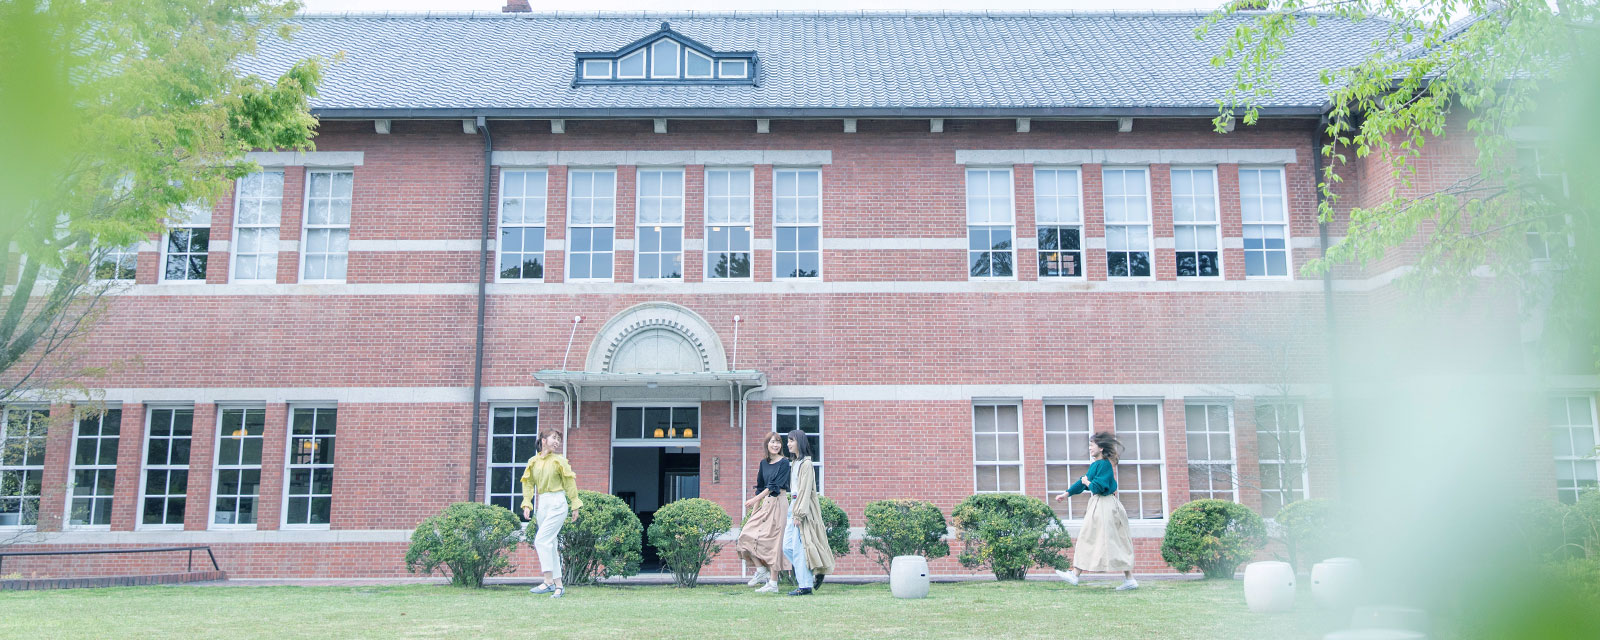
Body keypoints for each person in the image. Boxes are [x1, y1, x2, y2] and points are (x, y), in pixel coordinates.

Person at [1054, 431, 1138, 590]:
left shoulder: (1104, 465)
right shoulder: (1097, 465)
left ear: (1100, 447)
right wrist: (1066, 494)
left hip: (1104, 505)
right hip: (1102, 505)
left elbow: (1097, 486)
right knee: (1111, 540)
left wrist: (1087, 482)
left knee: (1092, 537)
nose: (1089, 448)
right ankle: (1129, 579)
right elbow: (1082, 482)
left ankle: (1075, 575)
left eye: (1092, 445)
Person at [521, 429, 581, 598]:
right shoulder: (533, 462)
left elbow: (570, 483)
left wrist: (575, 504)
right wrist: (527, 504)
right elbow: (528, 484)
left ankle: (548, 581)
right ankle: (559, 586)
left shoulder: (559, 461)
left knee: (541, 540)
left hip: (557, 502)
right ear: (543, 439)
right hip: (543, 503)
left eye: (559, 439)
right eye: (554, 438)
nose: (557, 441)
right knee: (551, 544)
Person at [782, 428, 834, 595]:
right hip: (793, 505)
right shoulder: (795, 463)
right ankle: (813, 572)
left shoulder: (806, 464)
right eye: (788, 440)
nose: (788, 443)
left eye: (791, 440)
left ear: (800, 442)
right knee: (787, 547)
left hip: (801, 508)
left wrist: (799, 514)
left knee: (798, 548)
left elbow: (805, 491)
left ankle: (804, 586)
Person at [738, 431, 791, 593]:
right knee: (745, 535)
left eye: (778, 442)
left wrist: (754, 501)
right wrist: (754, 512)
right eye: (772, 442)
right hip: (765, 504)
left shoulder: (784, 462)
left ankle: (773, 584)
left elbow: (773, 486)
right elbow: (760, 487)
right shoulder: (763, 463)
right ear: (766, 444)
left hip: (779, 503)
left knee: (774, 543)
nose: (775, 445)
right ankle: (761, 570)